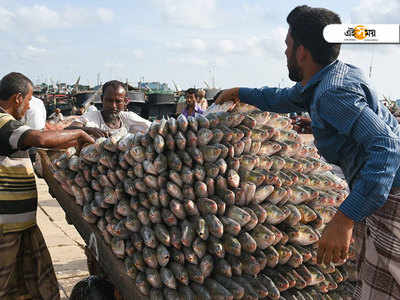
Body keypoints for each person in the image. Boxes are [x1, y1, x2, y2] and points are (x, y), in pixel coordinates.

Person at [216, 5, 400, 299]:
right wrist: (242, 92)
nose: (285, 53)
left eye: (287, 45)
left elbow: (387, 147)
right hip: (378, 193)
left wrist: (344, 219)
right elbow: (287, 98)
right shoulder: (330, 77)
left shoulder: (333, 93)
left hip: (392, 197)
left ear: (302, 51)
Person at [0, 72, 94, 299]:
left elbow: (43, 134)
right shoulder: (2, 121)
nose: (30, 105)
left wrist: (69, 132)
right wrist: (79, 134)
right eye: (30, 99)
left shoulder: (10, 124)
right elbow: (40, 139)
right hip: (5, 229)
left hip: (23, 225)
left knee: (36, 285)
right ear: (18, 98)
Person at [70, 80, 151, 137]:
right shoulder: (91, 117)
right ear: (102, 99)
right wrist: (89, 130)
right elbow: (69, 129)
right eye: (109, 101)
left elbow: (152, 127)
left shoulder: (127, 117)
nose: (113, 106)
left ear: (125, 102)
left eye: (118, 101)